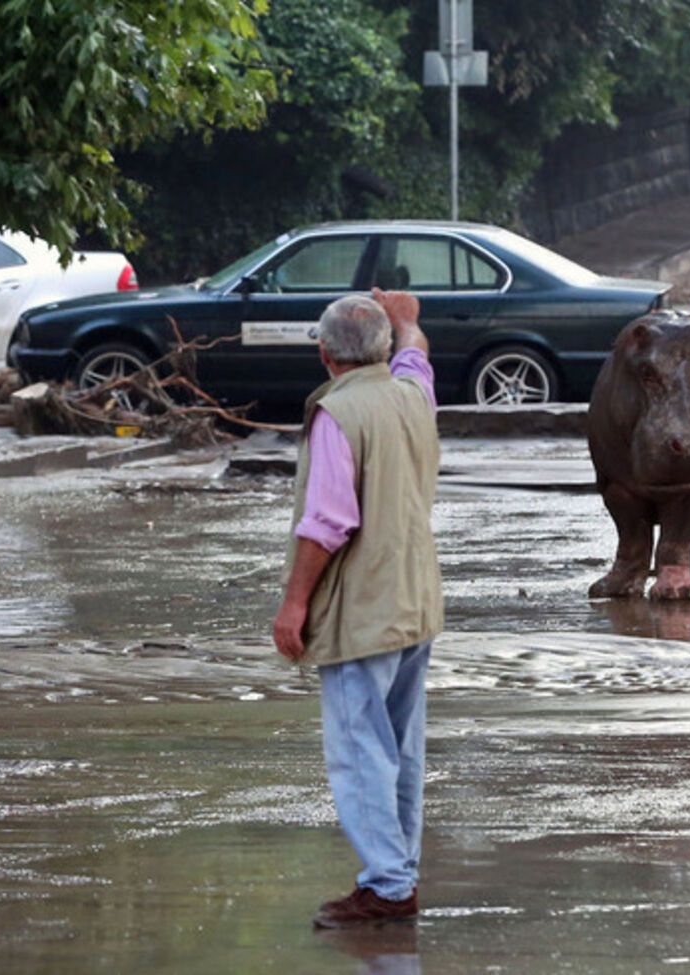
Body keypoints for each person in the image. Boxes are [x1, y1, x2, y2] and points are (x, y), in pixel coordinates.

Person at [273, 288, 443, 929]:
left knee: (361, 750)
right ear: (383, 349)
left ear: (324, 353)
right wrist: (406, 322)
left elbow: (327, 524)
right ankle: (396, 874)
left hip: (363, 610)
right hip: (415, 601)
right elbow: (417, 355)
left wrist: (294, 604)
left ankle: (389, 886)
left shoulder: (337, 413)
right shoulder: (412, 393)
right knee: (400, 748)